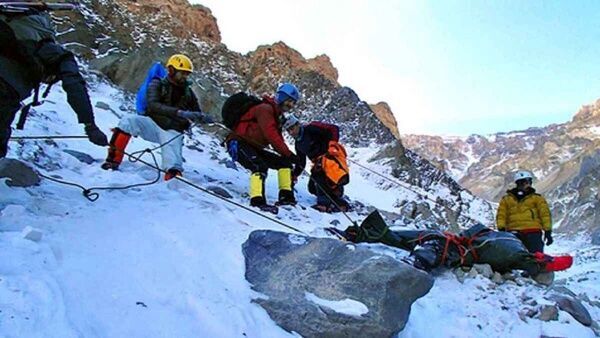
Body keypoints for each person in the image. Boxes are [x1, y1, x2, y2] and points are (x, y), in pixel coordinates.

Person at [0, 6, 108, 158]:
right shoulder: (55, 52)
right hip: (6, 91)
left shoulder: (12, 25)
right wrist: (90, 125)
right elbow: (75, 85)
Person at [101, 54, 212, 180]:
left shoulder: (188, 92)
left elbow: (195, 111)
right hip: (152, 123)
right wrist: (180, 113)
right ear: (171, 70)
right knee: (128, 121)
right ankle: (112, 161)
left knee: (173, 160)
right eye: (182, 73)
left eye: (187, 74)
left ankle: (172, 175)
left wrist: (202, 117)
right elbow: (153, 105)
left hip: (172, 130)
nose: (185, 77)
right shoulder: (157, 84)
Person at [226, 83, 300, 211]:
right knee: (259, 166)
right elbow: (271, 135)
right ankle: (257, 201)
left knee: (285, 164)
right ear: (281, 97)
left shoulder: (277, 116)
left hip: (254, 147)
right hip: (238, 143)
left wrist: (288, 157)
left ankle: (286, 198)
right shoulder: (265, 109)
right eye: (289, 101)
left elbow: (278, 139)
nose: (291, 105)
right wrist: (288, 154)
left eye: (293, 102)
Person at [284, 115, 350, 212]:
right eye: (288, 130)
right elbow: (301, 162)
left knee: (320, 179)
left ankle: (324, 204)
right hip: (317, 163)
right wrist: (295, 174)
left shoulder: (311, 129)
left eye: (292, 128)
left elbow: (333, 129)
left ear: (298, 124)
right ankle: (336, 198)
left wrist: (332, 144)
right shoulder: (298, 144)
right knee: (312, 188)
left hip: (329, 158)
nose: (291, 132)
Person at [496, 170, 553, 253]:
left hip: (532, 231)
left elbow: (545, 214)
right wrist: (501, 228)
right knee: (517, 257)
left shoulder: (537, 198)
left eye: (529, 182)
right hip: (515, 231)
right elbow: (501, 214)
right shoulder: (507, 199)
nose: (527, 184)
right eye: (525, 182)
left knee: (535, 256)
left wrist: (547, 231)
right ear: (519, 183)